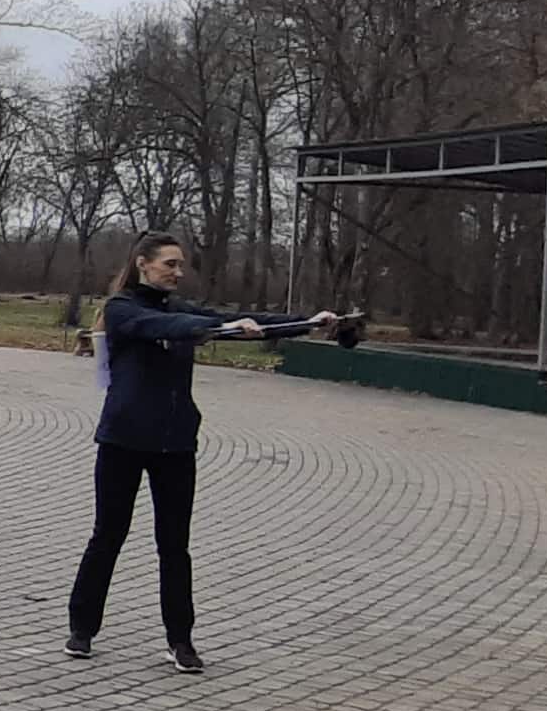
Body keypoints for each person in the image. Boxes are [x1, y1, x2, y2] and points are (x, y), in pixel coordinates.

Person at [66, 233, 349, 673]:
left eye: (181, 265)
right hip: (123, 440)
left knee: (174, 546)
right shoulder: (122, 309)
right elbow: (162, 326)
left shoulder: (180, 308)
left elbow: (231, 319)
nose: (178, 272)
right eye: (170, 264)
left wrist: (307, 322)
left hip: (176, 443)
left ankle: (180, 641)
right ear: (143, 263)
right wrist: (216, 329)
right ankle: (82, 629)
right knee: (108, 535)